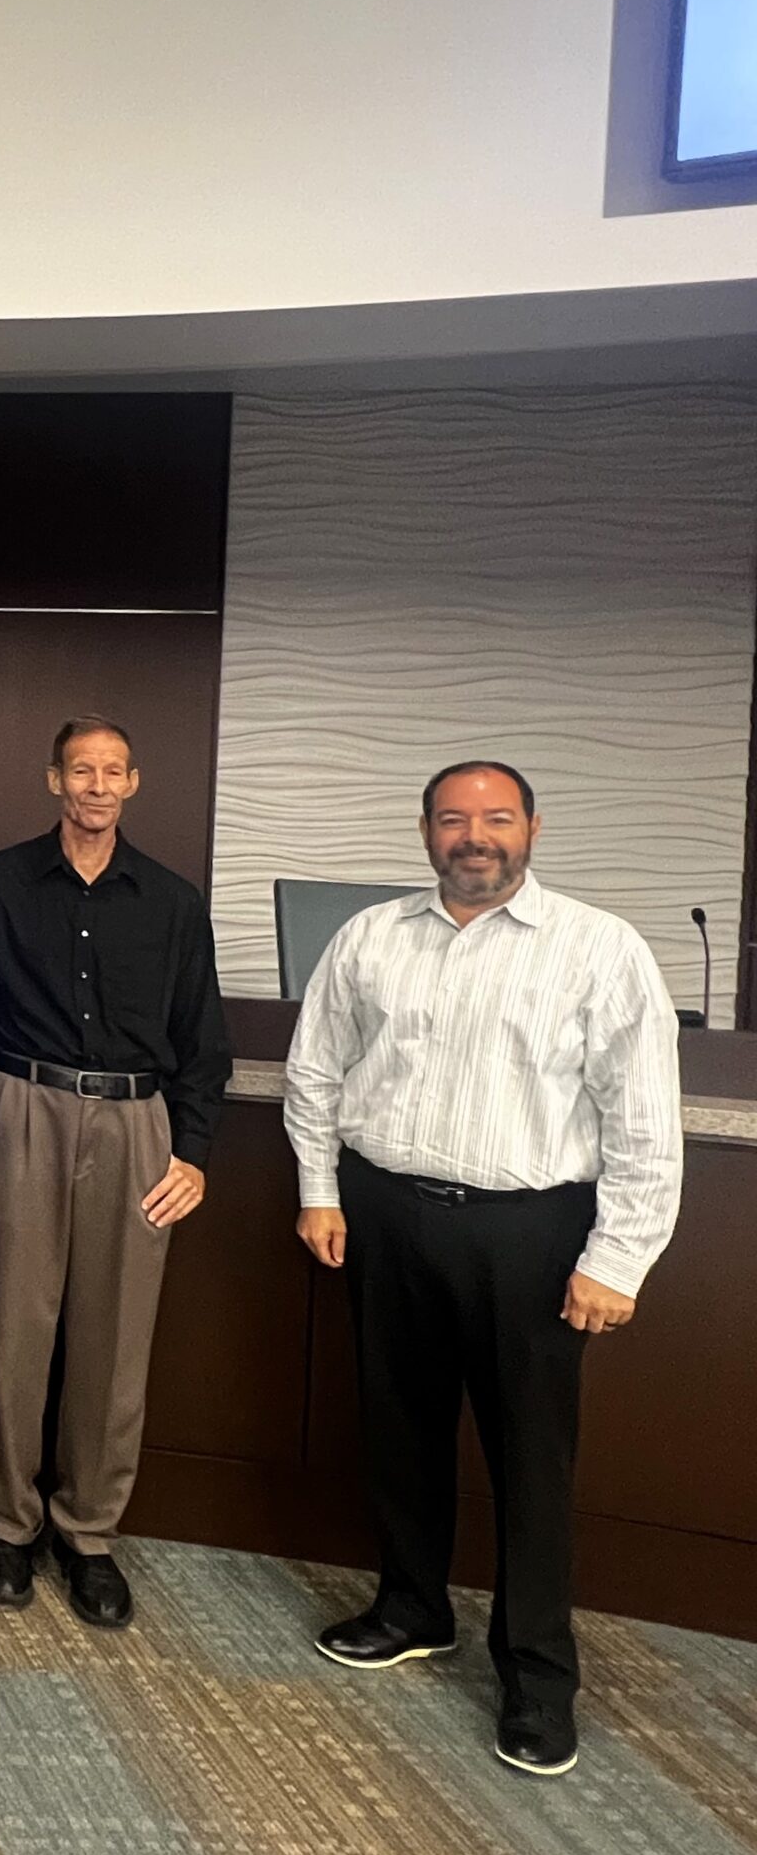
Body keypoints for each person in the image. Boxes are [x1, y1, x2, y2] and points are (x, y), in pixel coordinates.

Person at [284, 761, 681, 1777]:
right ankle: (412, 1608)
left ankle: (538, 1679)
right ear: (424, 831)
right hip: (388, 1214)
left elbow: (643, 1122)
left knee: (529, 1463)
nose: (474, 836)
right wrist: (320, 1190)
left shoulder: (600, 950)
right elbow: (315, 1068)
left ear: (532, 828)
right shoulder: (372, 936)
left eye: (495, 818)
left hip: (533, 1235)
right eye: (453, 819)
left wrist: (619, 1259)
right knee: (400, 1430)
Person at [0, 715, 228, 1629]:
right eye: (81, 770)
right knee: (14, 1329)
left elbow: (203, 1044)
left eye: (113, 771)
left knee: (115, 1340)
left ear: (134, 783)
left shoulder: (174, 903)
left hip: (137, 1122)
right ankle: (7, 1523)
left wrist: (191, 1151)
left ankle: (89, 1531)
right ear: (54, 781)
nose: (97, 786)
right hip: (21, 1108)